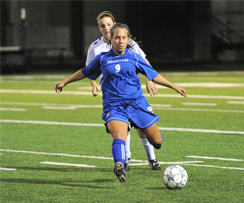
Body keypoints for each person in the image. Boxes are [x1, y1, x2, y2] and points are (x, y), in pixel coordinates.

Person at [55, 23, 187, 183]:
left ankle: (144, 149)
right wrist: (65, 81)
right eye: (117, 37)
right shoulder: (103, 58)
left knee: (157, 141)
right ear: (111, 39)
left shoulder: (134, 57)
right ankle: (119, 164)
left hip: (137, 104)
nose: (120, 41)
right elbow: (84, 72)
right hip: (114, 106)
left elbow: (154, 74)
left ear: (128, 39)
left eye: (124, 38)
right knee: (119, 136)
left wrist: (174, 86)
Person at [86, 11, 161, 172]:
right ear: (99, 28)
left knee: (142, 127)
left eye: (109, 24)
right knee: (122, 128)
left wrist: (149, 80)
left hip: (131, 91)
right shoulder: (95, 48)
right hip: (111, 94)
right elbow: (88, 69)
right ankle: (125, 160)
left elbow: (144, 62)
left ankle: (152, 159)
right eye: (102, 26)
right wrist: (93, 84)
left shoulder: (128, 43)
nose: (106, 28)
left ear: (114, 24)